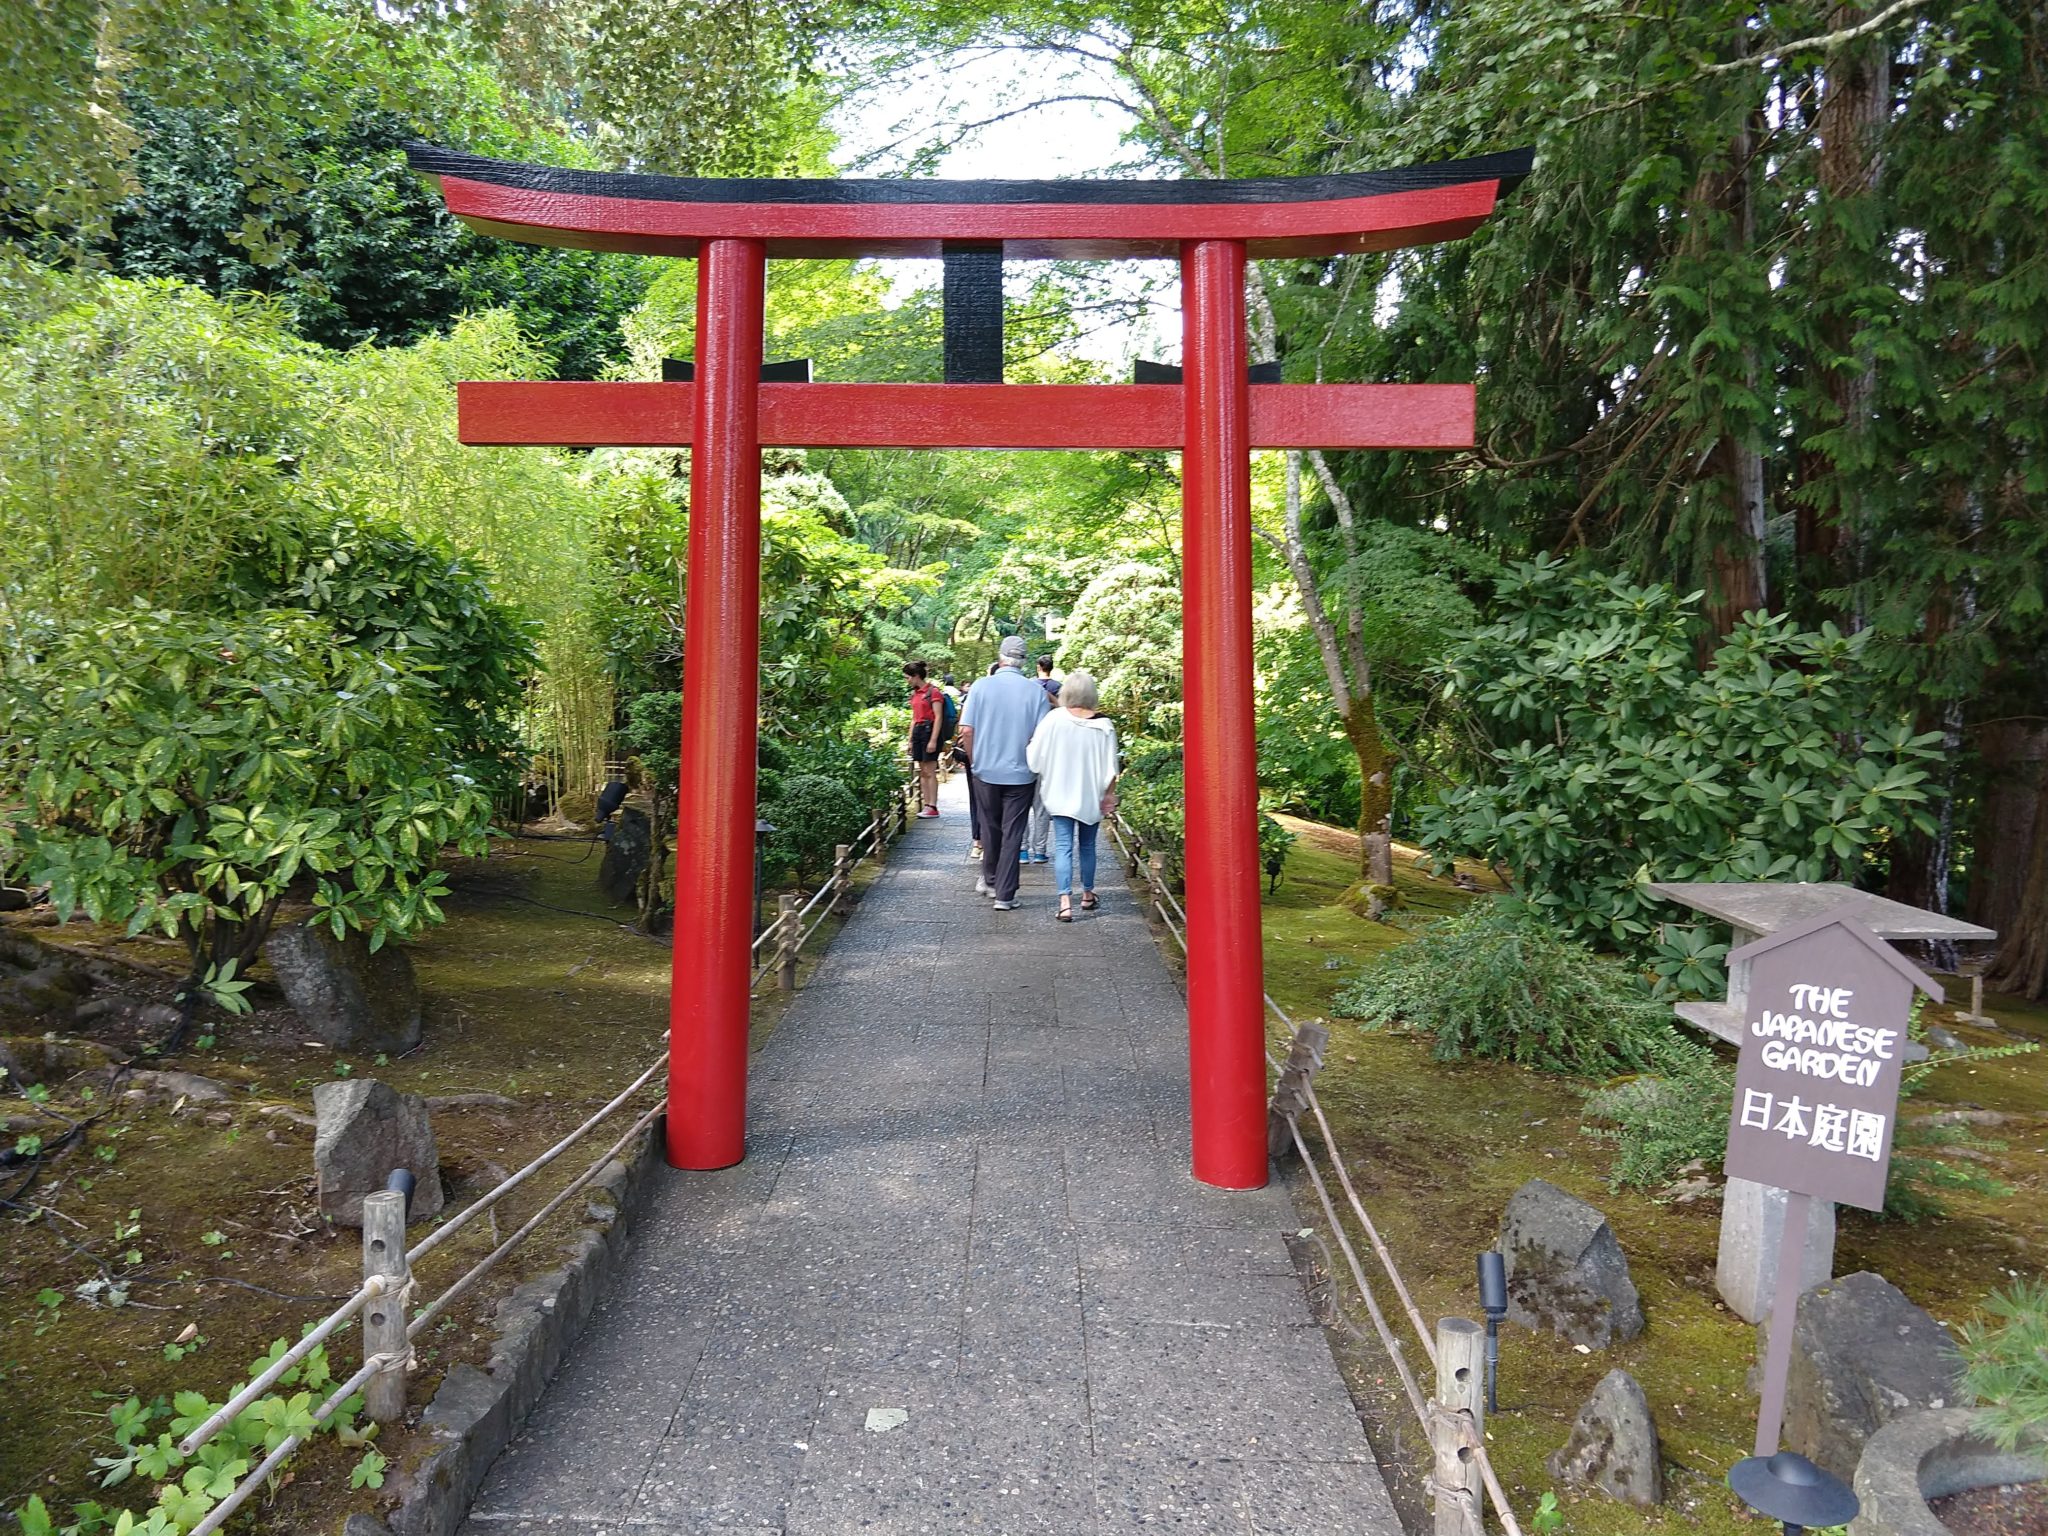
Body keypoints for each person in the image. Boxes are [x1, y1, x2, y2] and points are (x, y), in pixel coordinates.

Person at [956, 636, 1049, 910]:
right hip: (1021, 774)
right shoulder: (1036, 693)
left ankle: (990, 879)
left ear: (1000, 658)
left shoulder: (981, 687)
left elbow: (966, 730)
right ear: (1025, 661)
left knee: (989, 825)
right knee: (1013, 832)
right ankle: (1005, 896)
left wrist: (974, 761)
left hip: (985, 770)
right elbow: (1040, 737)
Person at [1025, 669, 1119, 922]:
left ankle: (1065, 903)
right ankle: (1088, 894)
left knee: (1064, 846)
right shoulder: (1105, 725)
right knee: (1087, 846)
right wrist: (1109, 796)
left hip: (1059, 793)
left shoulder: (1054, 719)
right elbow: (1112, 769)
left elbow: (1034, 758)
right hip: (1091, 796)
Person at [1024, 655, 1062, 864]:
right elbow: (1065, 711)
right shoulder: (1059, 687)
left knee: (1020, 803)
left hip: (1025, 749)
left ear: (1038, 667)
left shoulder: (1027, 686)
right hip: (1048, 751)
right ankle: (1039, 851)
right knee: (1041, 805)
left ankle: (1022, 850)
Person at [902, 660, 944, 817]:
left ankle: (932, 805)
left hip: (929, 730)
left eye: (908, 677)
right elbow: (914, 718)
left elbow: (938, 717)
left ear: (916, 676)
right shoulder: (915, 694)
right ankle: (927, 804)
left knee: (930, 770)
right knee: (922, 770)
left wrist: (933, 740)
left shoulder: (933, 692)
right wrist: (910, 740)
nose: (907, 681)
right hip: (919, 731)